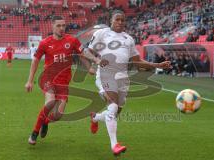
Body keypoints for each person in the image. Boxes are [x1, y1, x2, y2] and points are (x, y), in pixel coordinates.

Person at [87, 10, 171, 156]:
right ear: (111, 20)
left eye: (122, 20)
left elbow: (137, 62)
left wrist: (157, 66)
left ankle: (95, 118)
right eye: (117, 20)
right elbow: (87, 51)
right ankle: (114, 145)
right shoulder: (102, 33)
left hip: (122, 77)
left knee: (116, 111)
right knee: (112, 105)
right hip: (105, 74)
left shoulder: (129, 39)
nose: (120, 22)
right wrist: (96, 61)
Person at [25, 16, 91, 145]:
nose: (62, 28)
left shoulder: (72, 40)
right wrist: (30, 80)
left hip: (64, 82)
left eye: (63, 25)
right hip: (48, 79)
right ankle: (34, 132)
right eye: (58, 25)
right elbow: (36, 60)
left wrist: (89, 68)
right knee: (50, 102)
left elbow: (82, 54)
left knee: (58, 115)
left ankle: (46, 121)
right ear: (52, 26)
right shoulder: (45, 43)